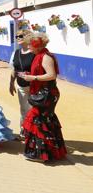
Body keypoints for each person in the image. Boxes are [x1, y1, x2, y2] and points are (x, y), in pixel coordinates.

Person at [18, 33, 66, 162]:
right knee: (45, 120)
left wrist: (32, 78)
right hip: (43, 92)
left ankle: (42, 154)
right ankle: (50, 152)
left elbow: (51, 75)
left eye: (30, 44)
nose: (28, 47)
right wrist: (28, 75)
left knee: (38, 120)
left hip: (47, 93)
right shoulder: (39, 56)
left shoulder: (45, 57)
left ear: (36, 45)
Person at [8, 29, 35, 139]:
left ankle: (34, 133)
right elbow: (14, 69)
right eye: (17, 36)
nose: (18, 38)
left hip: (34, 86)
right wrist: (11, 83)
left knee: (33, 109)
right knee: (24, 109)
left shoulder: (34, 53)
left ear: (28, 37)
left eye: (21, 36)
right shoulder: (16, 52)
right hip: (21, 86)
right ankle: (24, 131)